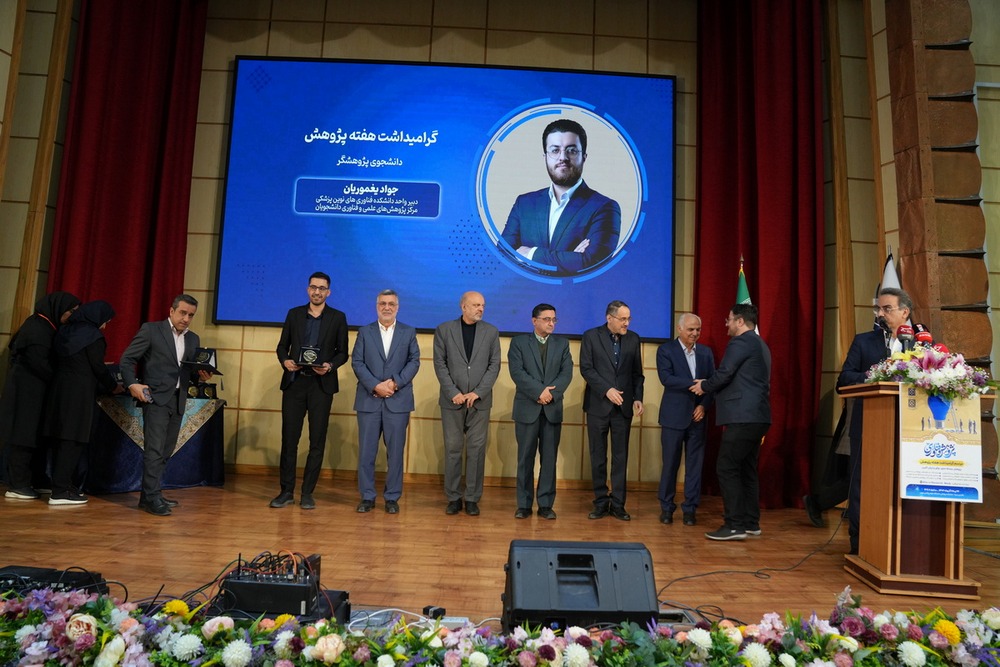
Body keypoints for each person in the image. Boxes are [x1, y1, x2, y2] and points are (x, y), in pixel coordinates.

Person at [836, 286, 912, 554]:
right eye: (878, 308)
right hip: (868, 425)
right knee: (862, 485)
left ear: (905, 312)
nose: (880, 313)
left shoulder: (921, 344)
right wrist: (877, 376)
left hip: (908, 429)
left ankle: (900, 544)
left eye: (887, 308)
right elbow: (844, 379)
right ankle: (859, 543)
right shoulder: (863, 341)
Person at [120, 294, 212, 516]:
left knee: (166, 450)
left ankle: (150, 495)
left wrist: (202, 376)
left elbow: (189, 372)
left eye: (191, 315)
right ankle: (152, 497)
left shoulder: (193, 339)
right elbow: (127, 360)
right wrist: (132, 384)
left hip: (179, 399)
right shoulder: (151, 330)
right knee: (154, 449)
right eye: (183, 313)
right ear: (171, 311)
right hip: (156, 398)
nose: (186, 319)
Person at [500, 119, 621, 276]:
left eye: (571, 150)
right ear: (545, 156)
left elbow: (591, 262)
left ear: (584, 157)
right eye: (555, 150)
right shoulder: (524, 203)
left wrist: (530, 254)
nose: (563, 157)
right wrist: (570, 259)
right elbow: (502, 256)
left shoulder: (605, 207)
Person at [691, 303, 771, 541]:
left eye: (729, 319)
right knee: (746, 469)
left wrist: (704, 386)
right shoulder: (760, 343)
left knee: (726, 467)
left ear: (740, 321)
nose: (726, 324)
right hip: (758, 416)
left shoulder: (741, 342)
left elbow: (725, 372)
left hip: (743, 416)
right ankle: (750, 522)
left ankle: (734, 525)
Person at [270, 272, 348, 510]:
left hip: (321, 386)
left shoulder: (338, 317)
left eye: (322, 288)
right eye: (313, 287)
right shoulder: (294, 314)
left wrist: (330, 366)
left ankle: (307, 493)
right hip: (295, 383)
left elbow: (343, 352)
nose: (317, 292)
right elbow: (282, 346)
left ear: (328, 292)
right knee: (289, 440)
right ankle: (286, 491)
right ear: (307, 289)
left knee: (317, 441)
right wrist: (285, 361)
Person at [1, 291, 80, 500]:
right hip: (25, 393)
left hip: (37, 392)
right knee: (23, 436)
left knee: (37, 436)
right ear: (58, 308)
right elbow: (39, 364)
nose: (72, 316)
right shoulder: (36, 329)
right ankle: (18, 484)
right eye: (71, 311)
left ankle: (36, 479)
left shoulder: (46, 326)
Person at [44, 301, 120, 505]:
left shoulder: (64, 331)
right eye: (106, 321)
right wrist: (114, 386)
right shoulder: (93, 336)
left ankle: (61, 484)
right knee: (74, 439)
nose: (105, 326)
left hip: (59, 390)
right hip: (80, 393)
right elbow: (98, 368)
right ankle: (60, 491)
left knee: (61, 438)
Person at [351, 289, 420, 514]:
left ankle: (392, 498)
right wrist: (375, 385)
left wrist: (394, 383)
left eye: (391, 304)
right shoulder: (365, 332)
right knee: (367, 453)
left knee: (396, 454)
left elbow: (414, 361)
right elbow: (357, 362)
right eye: (383, 303)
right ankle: (367, 497)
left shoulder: (408, 332)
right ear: (377, 306)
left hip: (397, 401)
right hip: (369, 400)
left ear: (397, 308)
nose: (387, 307)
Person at [433, 291, 501, 516]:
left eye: (483, 305)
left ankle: (472, 498)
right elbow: (440, 364)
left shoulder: (491, 332)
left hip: (479, 402)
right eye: (476, 305)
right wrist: (453, 392)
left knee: (476, 451)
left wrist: (478, 393)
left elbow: (494, 365)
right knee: (453, 449)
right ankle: (453, 497)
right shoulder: (444, 330)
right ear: (463, 307)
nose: (480, 309)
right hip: (452, 401)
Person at [507, 303, 574, 520]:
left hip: (552, 409)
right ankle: (524, 504)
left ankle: (545, 504)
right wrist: (539, 392)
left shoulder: (562, 344)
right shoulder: (519, 343)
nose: (551, 323)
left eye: (554, 319)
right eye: (546, 319)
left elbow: (566, 373)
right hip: (528, 408)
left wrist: (550, 394)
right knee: (525, 458)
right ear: (534, 321)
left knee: (549, 459)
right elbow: (517, 372)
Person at [580, 300, 644, 521]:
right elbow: (587, 369)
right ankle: (600, 502)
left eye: (628, 319)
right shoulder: (591, 336)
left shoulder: (633, 339)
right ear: (609, 318)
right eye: (622, 319)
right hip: (598, 406)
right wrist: (606, 390)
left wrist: (638, 398)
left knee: (620, 457)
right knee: (598, 457)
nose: (627, 323)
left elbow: (637, 374)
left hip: (623, 408)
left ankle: (618, 504)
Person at [656, 313, 715, 526]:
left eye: (698, 330)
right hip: (673, 417)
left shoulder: (706, 352)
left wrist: (703, 405)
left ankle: (690, 509)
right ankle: (666, 508)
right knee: (670, 465)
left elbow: (712, 383)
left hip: (698, 417)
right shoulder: (666, 350)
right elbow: (666, 378)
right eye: (691, 329)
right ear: (680, 329)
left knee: (694, 467)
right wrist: (696, 384)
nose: (695, 333)